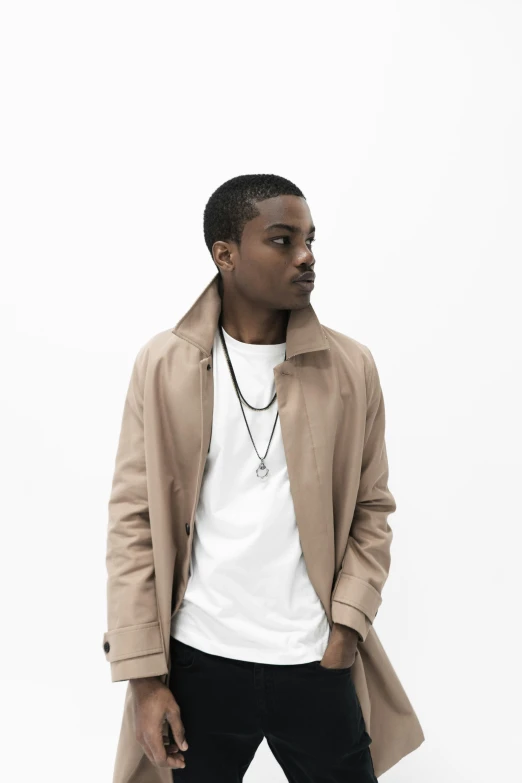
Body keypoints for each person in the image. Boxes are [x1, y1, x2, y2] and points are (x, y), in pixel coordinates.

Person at [103, 173, 424, 782]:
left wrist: (347, 628)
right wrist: (145, 677)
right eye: (282, 240)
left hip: (315, 661)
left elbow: (373, 509)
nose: (305, 256)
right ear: (224, 254)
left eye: (309, 239)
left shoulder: (349, 367)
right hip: (199, 664)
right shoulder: (165, 365)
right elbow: (133, 523)